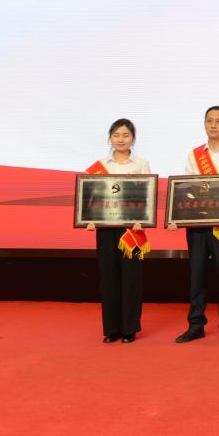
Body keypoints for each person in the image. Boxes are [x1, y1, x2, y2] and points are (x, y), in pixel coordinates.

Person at [167, 105, 219, 344]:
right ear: (204, 124)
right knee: (197, 277)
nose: (213, 125)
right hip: (197, 226)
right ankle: (196, 325)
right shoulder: (195, 154)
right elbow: (187, 188)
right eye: (209, 120)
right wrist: (178, 216)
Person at [85, 118, 151, 343]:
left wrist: (143, 219)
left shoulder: (141, 164)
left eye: (125, 135)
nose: (121, 139)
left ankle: (129, 328)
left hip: (132, 230)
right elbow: (90, 199)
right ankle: (112, 329)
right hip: (106, 230)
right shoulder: (99, 166)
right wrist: (89, 220)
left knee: (132, 279)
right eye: (116, 135)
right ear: (110, 138)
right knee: (109, 278)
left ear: (133, 138)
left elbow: (147, 197)